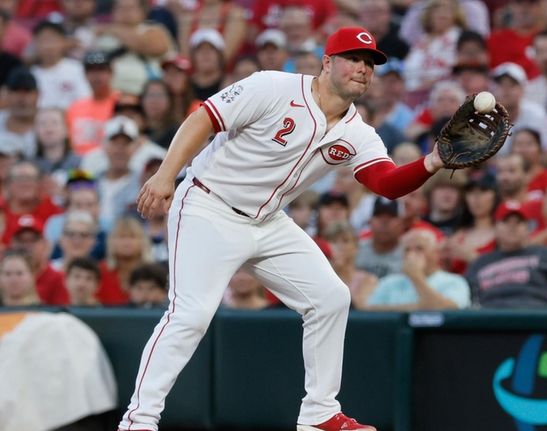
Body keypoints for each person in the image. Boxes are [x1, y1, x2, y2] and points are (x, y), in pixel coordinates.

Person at [121, 27, 449, 431]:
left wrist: (432, 162)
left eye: (369, 64)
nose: (362, 69)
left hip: (268, 220)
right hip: (209, 205)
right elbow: (204, 118)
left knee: (330, 297)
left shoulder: (357, 132)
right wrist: (166, 175)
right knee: (192, 314)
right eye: (353, 59)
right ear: (327, 62)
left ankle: (319, 413)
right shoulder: (273, 87)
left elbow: (386, 182)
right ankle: (139, 420)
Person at [465, 201, 547, 308]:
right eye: (506, 221)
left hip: (536, 318)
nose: (512, 226)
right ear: (495, 227)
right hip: (489, 320)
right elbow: (465, 297)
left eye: (518, 222)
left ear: (527, 228)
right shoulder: (480, 263)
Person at [363, 228, 470, 310]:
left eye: (419, 249)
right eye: (407, 250)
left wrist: (416, 277)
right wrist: (419, 307)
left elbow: (450, 311)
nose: (412, 255)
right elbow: (370, 312)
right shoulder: (389, 282)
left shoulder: (454, 281)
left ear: (435, 254)